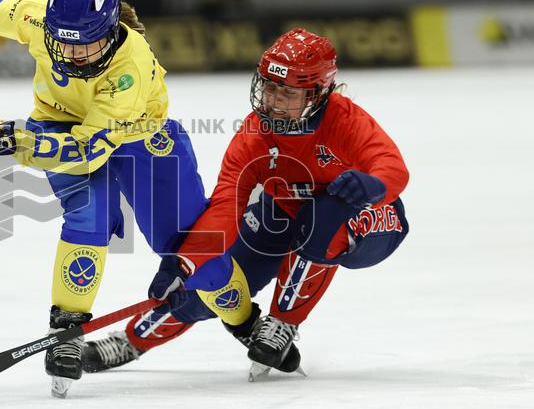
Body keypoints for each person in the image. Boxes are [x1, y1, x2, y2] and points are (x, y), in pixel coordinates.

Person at [0, 0, 208, 397]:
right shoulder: (37, 18)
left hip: (137, 134)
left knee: (187, 243)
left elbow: (90, 149)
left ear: (109, 32)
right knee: (92, 214)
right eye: (62, 43)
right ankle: (68, 330)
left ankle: (247, 320)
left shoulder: (131, 67)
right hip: (56, 125)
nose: (70, 57)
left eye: (86, 46)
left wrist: (5, 139)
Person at [82, 29, 410, 379]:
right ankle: (133, 339)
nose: (273, 100)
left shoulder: (345, 120)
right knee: (214, 278)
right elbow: (225, 208)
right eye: (269, 87)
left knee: (322, 215)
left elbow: (393, 167)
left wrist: (371, 183)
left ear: (318, 93)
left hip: (369, 219)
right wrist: (185, 264)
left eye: (287, 92)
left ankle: (282, 324)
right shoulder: (253, 135)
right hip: (283, 215)